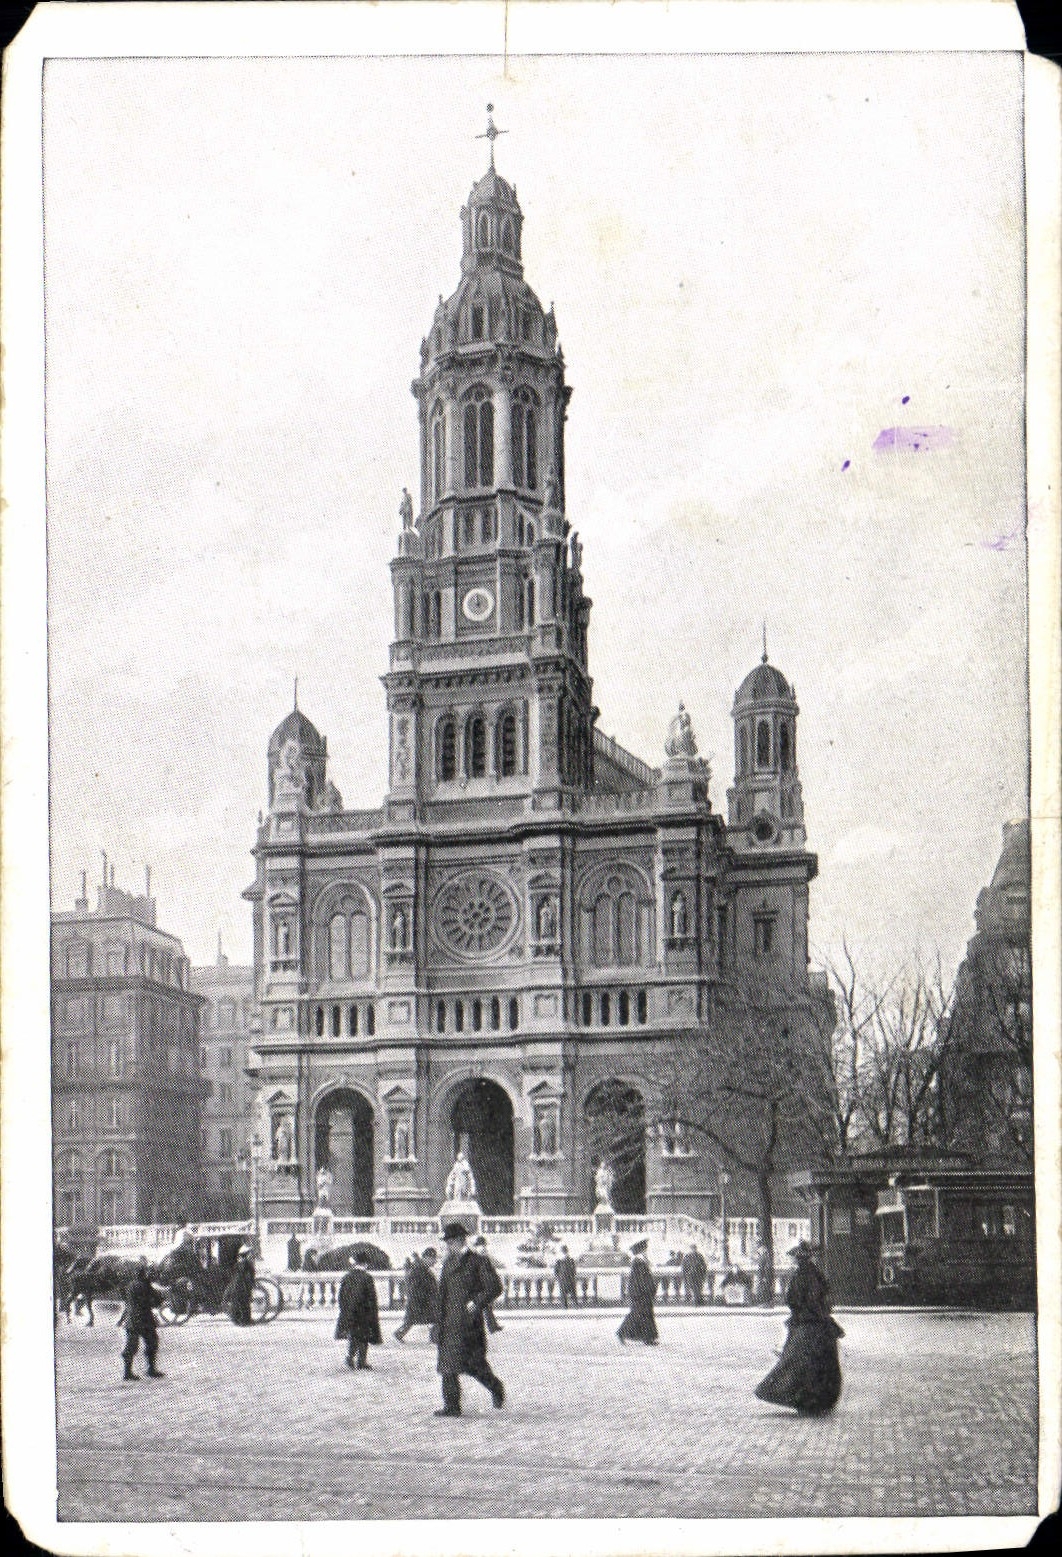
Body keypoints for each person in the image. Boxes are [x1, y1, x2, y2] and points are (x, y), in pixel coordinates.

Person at [754, 1242, 843, 1416]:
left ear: (799, 1260)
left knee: (796, 1361)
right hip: (818, 1323)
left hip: (805, 1322)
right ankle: (820, 1399)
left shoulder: (800, 1276)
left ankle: (801, 1397)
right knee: (820, 1361)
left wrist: (802, 1310)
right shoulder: (816, 1273)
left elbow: (793, 1298)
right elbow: (824, 1295)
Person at [434, 1222, 505, 1418]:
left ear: (458, 1241)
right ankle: (452, 1406)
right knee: (447, 1366)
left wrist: (477, 1301)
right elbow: (442, 1295)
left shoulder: (478, 1262)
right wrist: (437, 1323)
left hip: (468, 1324)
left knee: (474, 1366)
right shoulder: (448, 1263)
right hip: (448, 1322)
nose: (447, 1246)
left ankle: (496, 1387)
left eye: (449, 1242)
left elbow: (495, 1287)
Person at [119, 1257, 164, 1381]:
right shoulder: (145, 1285)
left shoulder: (131, 1285)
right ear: (144, 1274)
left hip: (132, 1319)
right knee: (152, 1343)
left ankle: (127, 1372)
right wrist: (158, 1299)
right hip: (144, 1319)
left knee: (131, 1346)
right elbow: (156, 1300)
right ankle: (151, 1369)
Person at [336, 1253, 383, 1370]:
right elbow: (371, 1297)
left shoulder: (347, 1276)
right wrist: (372, 1312)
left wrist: (345, 1310)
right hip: (364, 1313)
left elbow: (341, 1296)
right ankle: (361, 1361)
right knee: (364, 1338)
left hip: (350, 1312)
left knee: (353, 1336)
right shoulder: (367, 1277)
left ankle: (350, 1357)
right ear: (365, 1264)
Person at [617, 1238, 658, 1345]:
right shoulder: (639, 1262)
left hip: (640, 1293)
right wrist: (649, 1290)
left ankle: (648, 1338)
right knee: (638, 1314)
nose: (646, 1251)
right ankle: (622, 1333)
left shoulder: (639, 1261)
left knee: (643, 1314)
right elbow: (642, 1280)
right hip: (641, 1294)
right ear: (641, 1250)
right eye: (645, 1249)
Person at [394, 1247, 439, 1343]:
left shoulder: (421, 1268)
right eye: (433, 1259)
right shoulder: (419, 1269)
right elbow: (414, 1287)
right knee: (436, 1317)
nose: (435, 1262)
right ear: (427, 1257)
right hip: (419, 1302)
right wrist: (426, 1297)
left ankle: (399, 1333)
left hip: (420, 1301)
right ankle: (434, 1337)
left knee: (412, 1321)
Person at [472, 1235, 504, 1333]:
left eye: (484, 1245)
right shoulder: (475, 1258)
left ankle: (492, 1326)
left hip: (486, 1285)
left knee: (486, 1305)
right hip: (482, 1286)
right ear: (477, 1246)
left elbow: (498, 1264)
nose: (483, 1247)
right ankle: (490, 1326)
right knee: (481, 1305)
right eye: (481, 1245)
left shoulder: (485, 1256)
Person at [225, 1244, 256, 1326]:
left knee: (240, 1303)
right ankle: (244, 1321)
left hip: (236, 1285)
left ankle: (239, 1320)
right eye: (250, 1253)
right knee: (244, 1303)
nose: (251, 1255)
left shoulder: (240, 1263)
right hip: (242, 1286)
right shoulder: (246, 1263)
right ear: (247, 1254)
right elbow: (249, 1275)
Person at [554, 1244, 578, 1309]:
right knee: (572, 1294)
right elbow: (574, 1271)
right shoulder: (569, 1260)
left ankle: (567, 1307)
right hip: (568, 1279)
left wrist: (559, 1278)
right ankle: (574, 1306)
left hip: (565, 1279)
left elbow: (556, 1272)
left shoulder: (560, 1261)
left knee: (566, 1294)